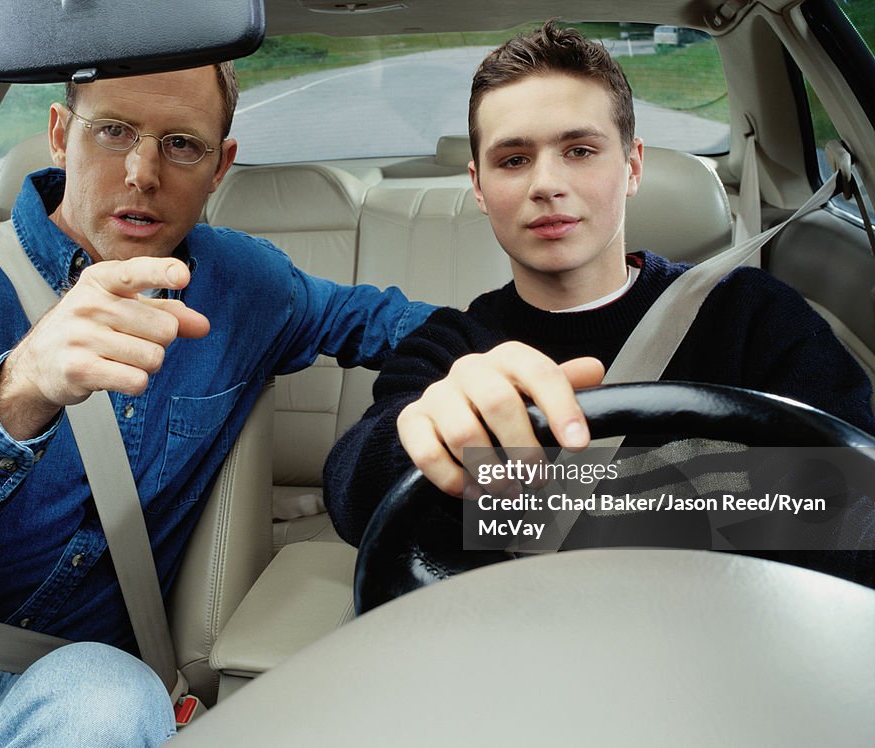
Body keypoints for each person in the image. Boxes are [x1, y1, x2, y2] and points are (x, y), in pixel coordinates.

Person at [0, 62, 590, 746]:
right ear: (57, 136)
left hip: (73, 677)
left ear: (219, 167)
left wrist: (513, 368)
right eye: (112, 132)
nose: (142, 173)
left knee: (113, 698)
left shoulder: (247, 285)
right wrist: (16, 391)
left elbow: (391, 323)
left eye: (181, 145)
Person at [324, 23, 875, 567]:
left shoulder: (748, 311)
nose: (546, 184)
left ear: (632, 167)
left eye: (580, 151)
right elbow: (354, 495)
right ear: (479, 186)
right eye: (513, 160)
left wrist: (527, 504)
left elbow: (856, 500)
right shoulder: (451, 347)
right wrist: (428, 432)